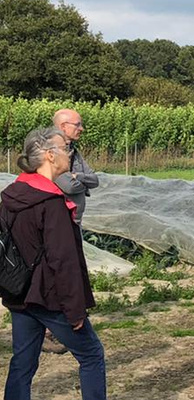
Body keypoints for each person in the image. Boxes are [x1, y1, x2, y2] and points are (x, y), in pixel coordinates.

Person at [3, 127, 106, 400]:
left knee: (23, 363)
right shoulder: (51, 203)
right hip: (49, 298)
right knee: (91, 355)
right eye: (66, 149)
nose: (70, 155)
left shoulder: (12, 194)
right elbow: (64, 262)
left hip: (19, 292)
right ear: (50, 155)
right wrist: (75, 311)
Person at [48, 109, 97, 355]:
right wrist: (79, 180)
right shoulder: (52, 150)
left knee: (74, 271)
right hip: (61, 221)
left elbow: (94, 178)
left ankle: (67, 322)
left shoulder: (74, 152)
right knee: (63, 272)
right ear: (63, 126)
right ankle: (56, 328)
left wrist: (77, 178)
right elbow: (64, 182)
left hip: (74, 220)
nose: (81, 129)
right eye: (78, 125)